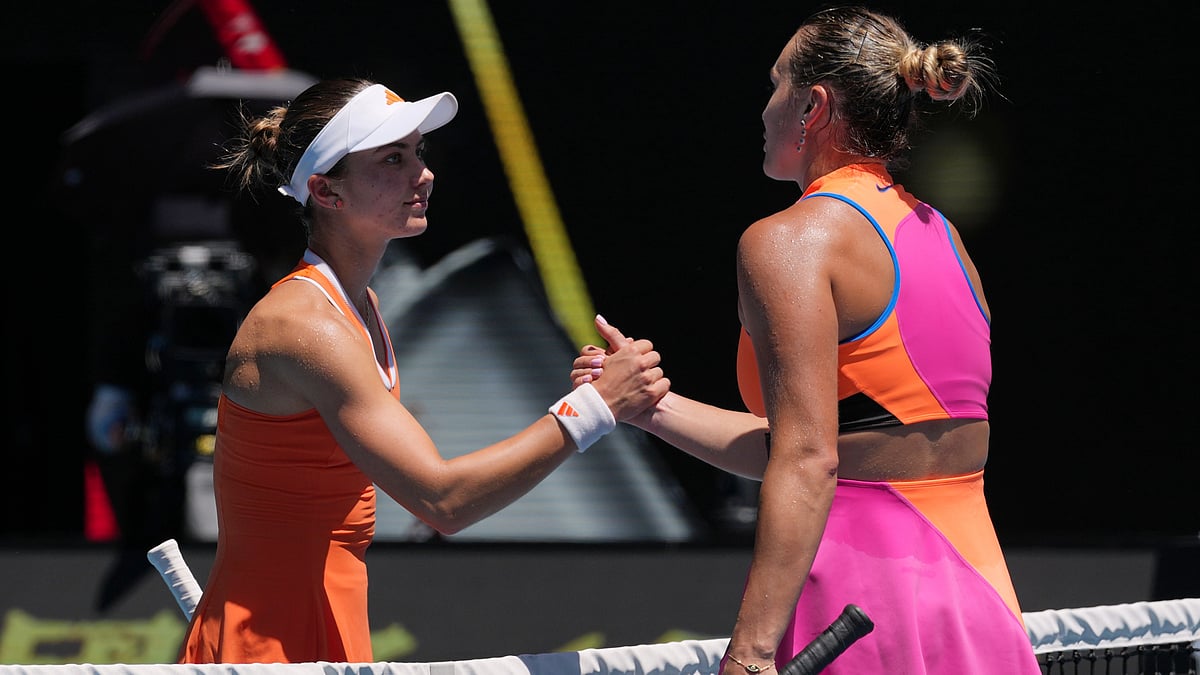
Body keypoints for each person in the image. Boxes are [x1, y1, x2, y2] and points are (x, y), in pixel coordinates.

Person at [574, 7, 1040, 673]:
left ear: (812, 106)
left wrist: (751, 653)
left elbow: (809, 462)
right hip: (978, 604)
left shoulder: (789, 240)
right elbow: (845, 453)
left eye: (776, 83)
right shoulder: (945, 236)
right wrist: (649, 406)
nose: (764, 108)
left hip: (857, 601)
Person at [175, 77, 668, 663]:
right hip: (266, 650)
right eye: (392, 157)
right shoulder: (305, 326)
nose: (423, 173)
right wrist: (594, 409)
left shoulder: (360, 308)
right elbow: (444, 499)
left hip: (317, 632)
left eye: (418, 153)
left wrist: (591, 399)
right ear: (326, 192)